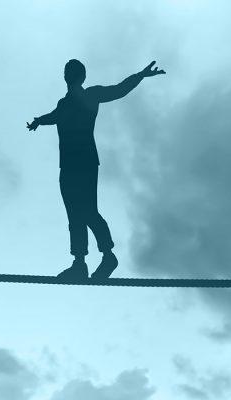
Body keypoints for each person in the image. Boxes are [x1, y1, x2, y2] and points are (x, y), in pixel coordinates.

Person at [27, 59, 165, 280]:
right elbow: (54, 116)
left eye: (71, 72)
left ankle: (108, 255)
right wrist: (38, 121)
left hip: (85, 163)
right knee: (74, 214)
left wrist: (140, 75)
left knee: (88, 211)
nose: (68, 76)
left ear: (79, 77)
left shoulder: (91, 95)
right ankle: (79, 263)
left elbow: (119, 90)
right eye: (67, 72)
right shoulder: (64, 103)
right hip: (68, 165)